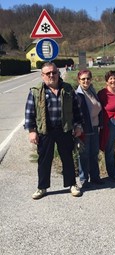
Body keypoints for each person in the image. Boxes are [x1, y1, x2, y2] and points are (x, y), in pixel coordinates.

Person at [24, 62, 84, 200]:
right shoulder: (36, 91)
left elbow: (76, 109)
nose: (51, 75)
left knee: (67, 158)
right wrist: (32, 130)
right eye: (48, 73)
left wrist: (78, 125)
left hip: (64, 129)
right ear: (42, 75)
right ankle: (42, 187)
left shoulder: (68, 89)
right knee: (44, 160)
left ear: (58, 73)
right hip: (45, 130)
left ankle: (72, 184)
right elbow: (29, 112)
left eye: (54, 72)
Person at [76, 69, 103, 188]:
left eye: (88, 78)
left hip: (95, 127)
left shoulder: (92, 91)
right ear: (79, 80)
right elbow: (75, 113)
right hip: (84, 129)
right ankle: (83, 179)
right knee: (84, 154)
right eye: (83, 79)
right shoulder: (77, 94)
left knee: (94, 153)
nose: (86, 81)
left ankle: (95, 177)